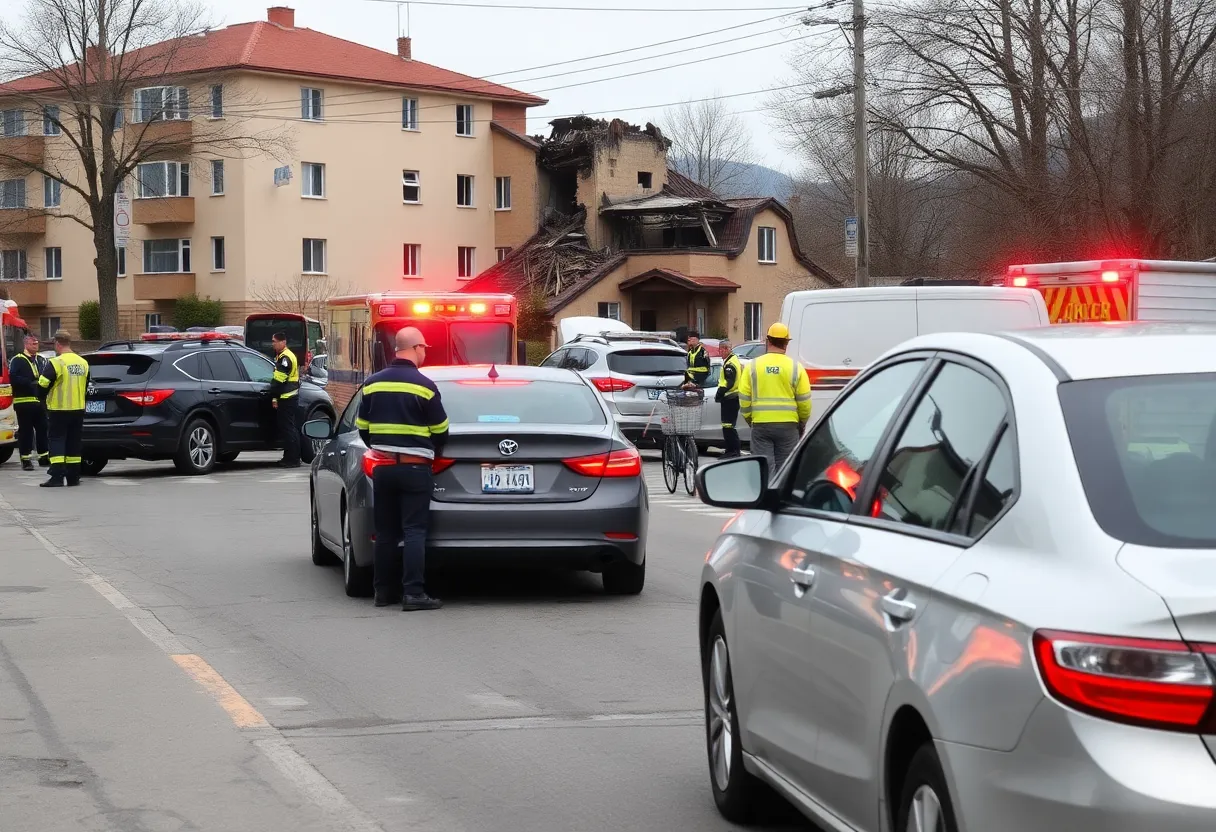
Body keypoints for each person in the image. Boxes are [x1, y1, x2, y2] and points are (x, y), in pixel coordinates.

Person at [355, 326, 449, 611]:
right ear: (416, 348)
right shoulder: (425, 386)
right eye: (424, 349)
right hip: (415, 468)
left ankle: (383, 593)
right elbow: (441, 430)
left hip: (383, 468)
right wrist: (429, 451)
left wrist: (383, 448)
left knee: (385, 532)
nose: (425, 354)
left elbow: (363, 428)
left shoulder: (372, 384)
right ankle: (413, 593)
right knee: (414, 531)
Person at [737, 322, 812, 476]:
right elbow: (804, 401)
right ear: (786, 343)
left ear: (768, 341)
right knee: (786, 471)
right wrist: (802, 422)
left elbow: (744, 397)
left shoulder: (752, 366)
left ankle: (767, 491)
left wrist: (750, 418)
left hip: (761, 425)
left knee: (765, 470)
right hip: (788, 427)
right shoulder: (796, 367)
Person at [37, 330, 89, 488]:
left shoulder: (56, 362)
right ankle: (73, 477)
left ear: (57, 343)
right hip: (78, 408)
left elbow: (43, 384)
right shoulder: (83, 362)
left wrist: (42, 399)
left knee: (57, 440)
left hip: (59, 409)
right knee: (74, 442)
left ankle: (57, 477)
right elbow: (86, 385)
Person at [9, 332, 49, 470]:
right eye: (33, 343)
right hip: (24, 402)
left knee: (43, 429)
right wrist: (30, 383)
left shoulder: (41, 360)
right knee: (26, 432)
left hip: (39, 402)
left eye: (37, 343)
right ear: (26, 344)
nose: (36, 345)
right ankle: (26, 460)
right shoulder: (17, 360)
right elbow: (14, 378)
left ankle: (44, 457)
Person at [268, 332, 301, 468]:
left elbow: (279, 380)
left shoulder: (285, 358)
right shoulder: (284, 355)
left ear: (283, 342)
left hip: (287, 398)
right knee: (289, 428)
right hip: (288, 397)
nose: (273, 344)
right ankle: (289, 457)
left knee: (288, 429)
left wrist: (273, 395)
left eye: (275, 341)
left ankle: (292, 459)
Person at [714, 340, 742, 458]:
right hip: (732, 397)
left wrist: (719, 393)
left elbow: (729, 382)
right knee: (728, 426)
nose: (719, 352)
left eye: (720, 350)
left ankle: (733, 451)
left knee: (728, 426)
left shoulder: (730, 363)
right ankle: (731, 450)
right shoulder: (732, 360)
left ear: (726, 349)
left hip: (730, 398)